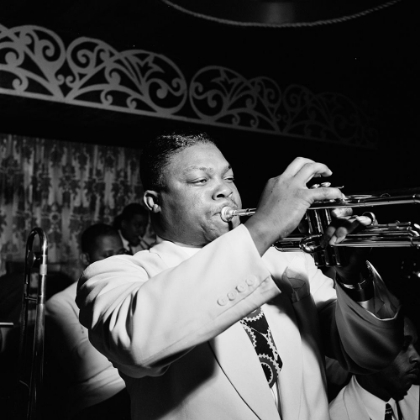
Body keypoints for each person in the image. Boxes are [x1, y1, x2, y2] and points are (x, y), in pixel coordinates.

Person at [77, 132, 403, 420]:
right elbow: (136, 342)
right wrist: (263, 226)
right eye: (199, 180)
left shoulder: (292, 263)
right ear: (154, 202)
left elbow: (373, 355)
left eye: (229, 177)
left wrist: (352, 277)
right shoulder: (117, 273)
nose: (224, 191)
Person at [45, 223, 130, 420]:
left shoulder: (131, 289)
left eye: (122, 252)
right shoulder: (59, 304)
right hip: (101, 398)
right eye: (108, 255)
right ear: (86, 258)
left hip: (140, 390)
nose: (119, 261)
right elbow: (86, 366)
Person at [329, 316, 419, 420]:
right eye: (403, 346)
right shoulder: (333, 416)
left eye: (415, 346)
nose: (417, 357)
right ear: (366, 353)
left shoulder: (417, 397)